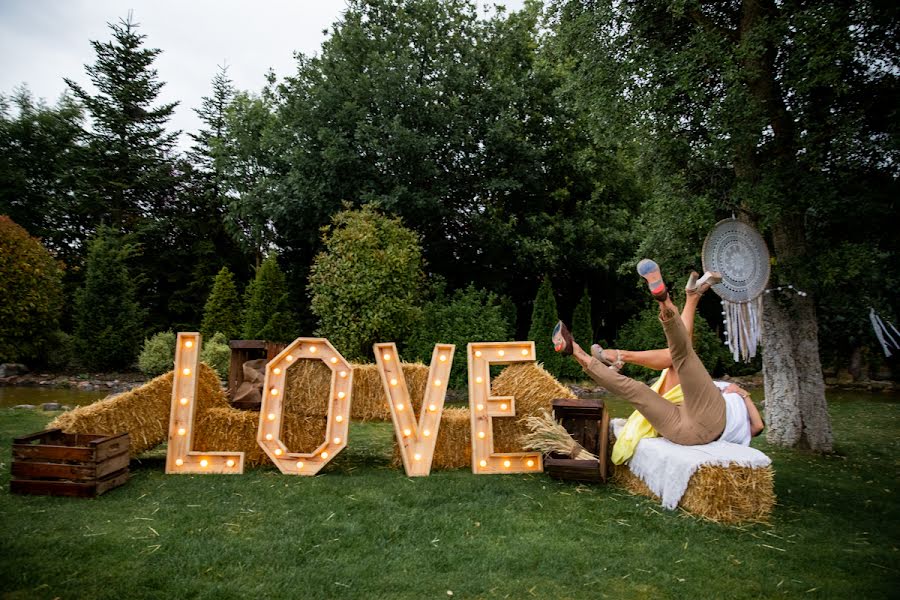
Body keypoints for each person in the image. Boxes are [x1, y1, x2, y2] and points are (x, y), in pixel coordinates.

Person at [552, 259, 764, 447]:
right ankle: (575, 351)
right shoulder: (722, 394)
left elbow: (757, 427)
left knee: (681, 356)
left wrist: (743, 394)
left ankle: (665, 301)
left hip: (713, 418)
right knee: (633, 390)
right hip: (683, 431)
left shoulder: (734, 399)